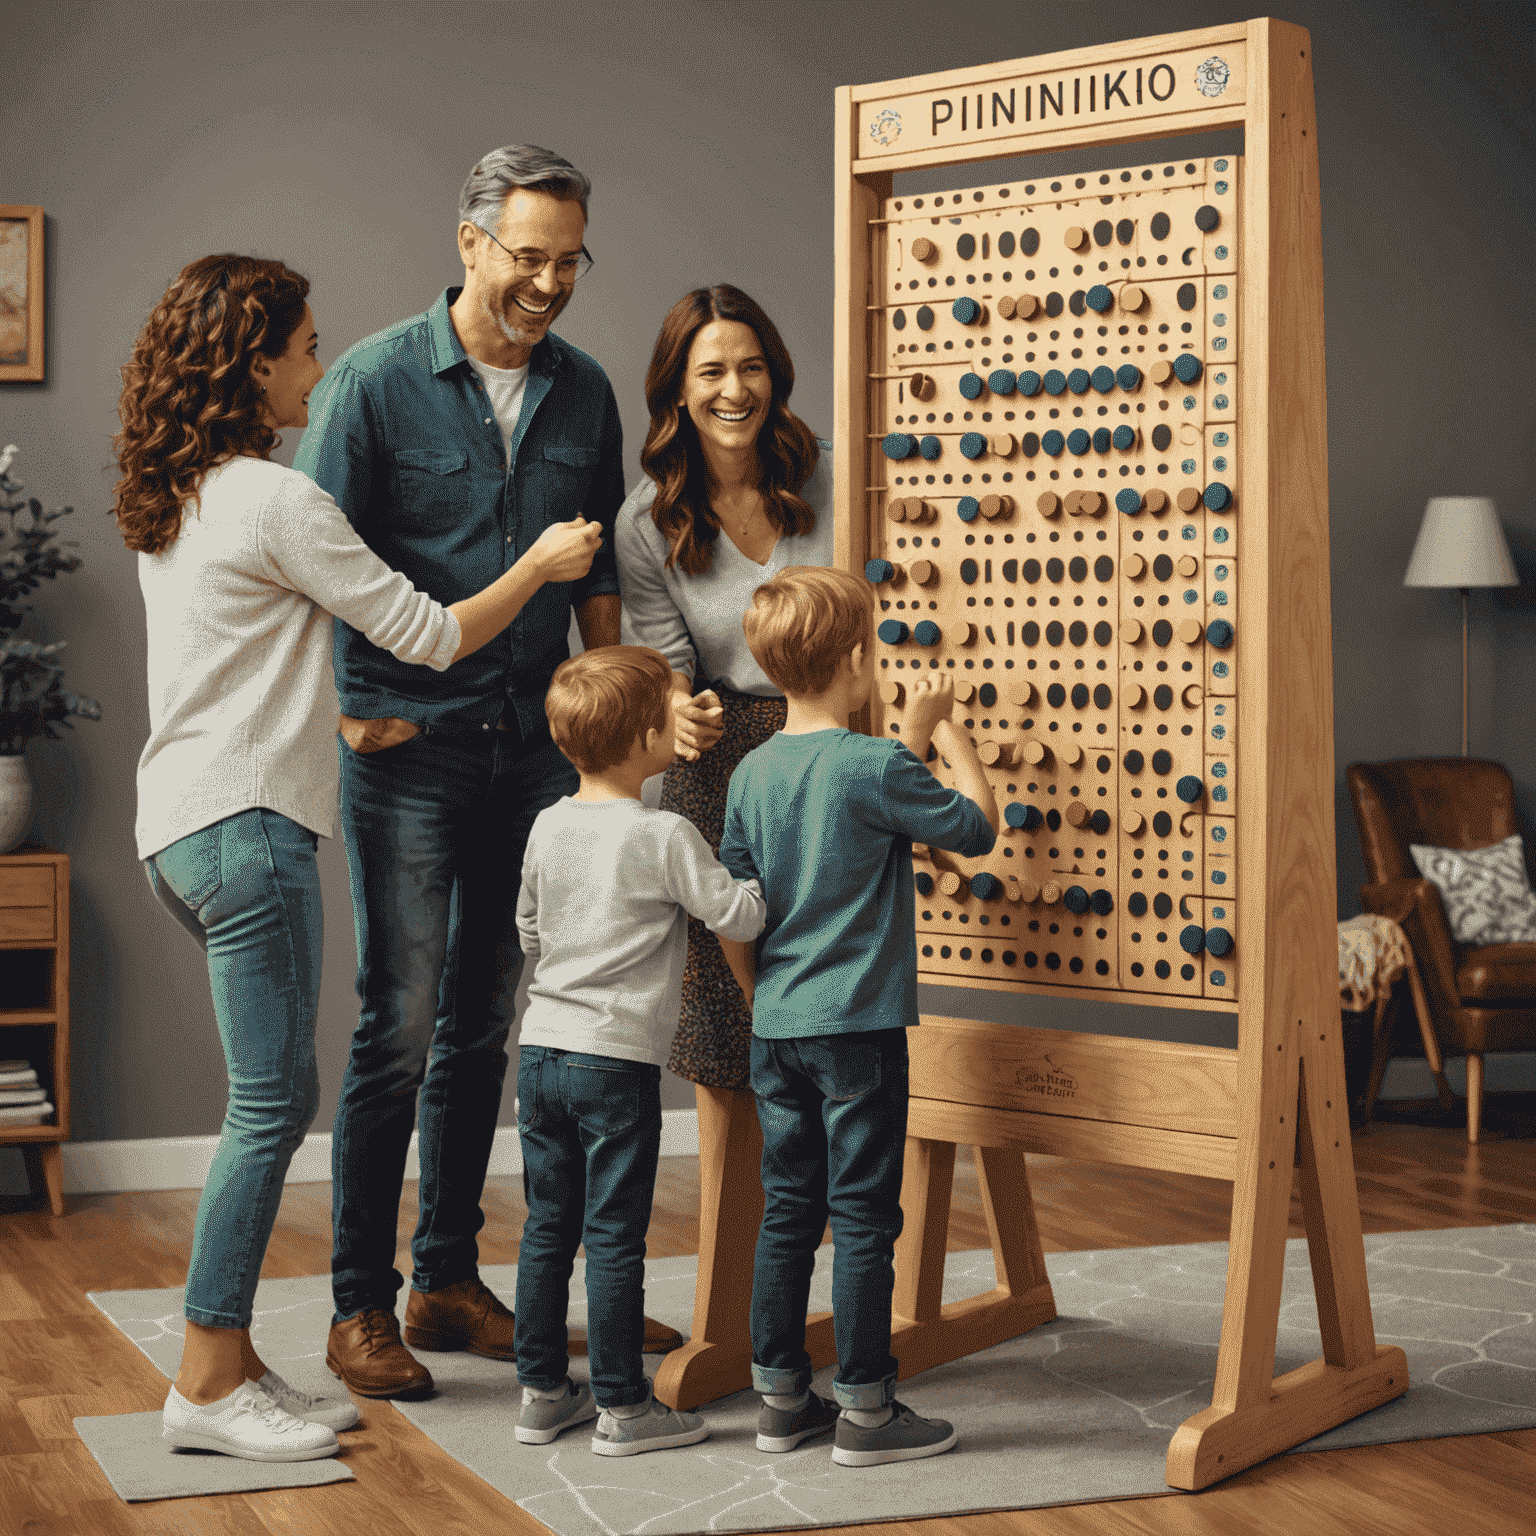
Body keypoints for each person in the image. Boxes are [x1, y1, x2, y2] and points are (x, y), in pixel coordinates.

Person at [114, 253, 604, 1460]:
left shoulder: (180, 498)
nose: (316, 370)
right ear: (254, 361)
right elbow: (428, 635)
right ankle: (207, 1384)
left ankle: (232, 1361)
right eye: (301, 347)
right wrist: (539, 567)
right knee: (273, 1105)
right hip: (252, 831)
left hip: (176, 829)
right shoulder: (275, 502)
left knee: (272, 1096)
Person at [292, 145, 679, 1399]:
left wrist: (617, 727)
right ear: (469, 244)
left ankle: (444, 1280)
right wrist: (348, 707)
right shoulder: (371, 383)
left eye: (570, 260)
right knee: (395, 1027)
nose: (549, 283)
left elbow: (605, 577)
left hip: (535, 755)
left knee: (482, 1024)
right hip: (408, 749)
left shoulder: (585, 394)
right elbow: (308, 559)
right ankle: (360, 1306)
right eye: (528, 257)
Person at [718, 566, 1000, 1466]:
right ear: (854, 662)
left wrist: (760, 995)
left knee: (789, 1209)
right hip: (860, 1029)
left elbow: (734, 901)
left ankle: (780, 1399)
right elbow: (975, 828)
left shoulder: (752, 770)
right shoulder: (876, 765)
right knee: (867, 1216)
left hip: (780, 1026)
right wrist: (948, 736)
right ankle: (869, 1413)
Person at [613, 287, 831, 1385]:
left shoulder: (830, 476)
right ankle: (731, 1307)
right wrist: (682, 709)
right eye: (709, 373)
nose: (734, 390)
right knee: (728, 1044)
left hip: (836, 745)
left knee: (840, 1019)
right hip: (716, 772)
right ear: (677, 392)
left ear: (773, 375)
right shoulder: (646, 525)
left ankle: (828, 1268)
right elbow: (666, 673)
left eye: (749, 366)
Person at [511, 645, 766, 1454]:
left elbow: (527, 929)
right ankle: (624, 1406)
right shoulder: (664, 832)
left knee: (549, 1227)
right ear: (648, 737)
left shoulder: (548, 824)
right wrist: (762, 882)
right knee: (615, 1234)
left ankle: (543, 1391)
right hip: (614, 1062)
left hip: (542, 1050)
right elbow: (736, 915)